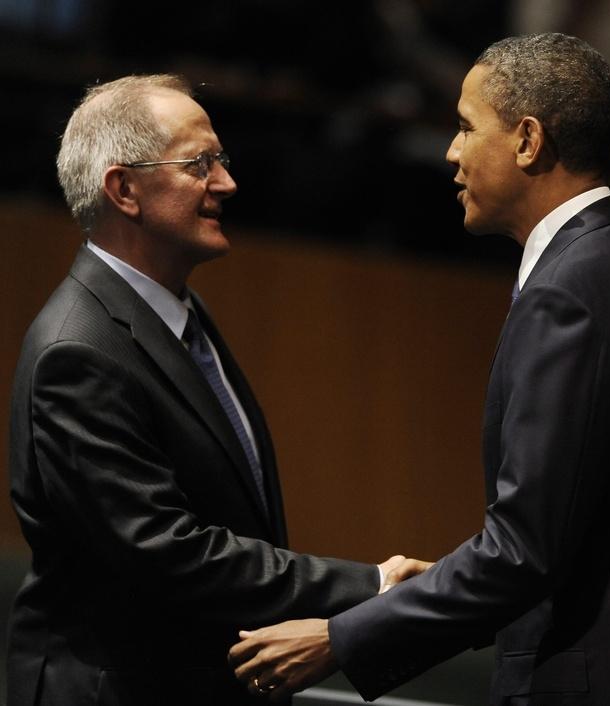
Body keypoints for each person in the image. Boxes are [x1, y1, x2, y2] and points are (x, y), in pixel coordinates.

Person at [229, 33, 610, 705]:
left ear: (527, 140)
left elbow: (523, 553)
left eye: (465, 127)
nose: (452, 151)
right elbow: (585, 530)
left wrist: (338, 639)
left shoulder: (570, 293)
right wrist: (454, 582)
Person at [6, 74, 421, 705]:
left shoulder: (177, 315)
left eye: (220, 160)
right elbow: (170, 553)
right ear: (124, 189)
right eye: (200, 164)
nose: (226, 183)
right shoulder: (80, 351)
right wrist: (371, 586)